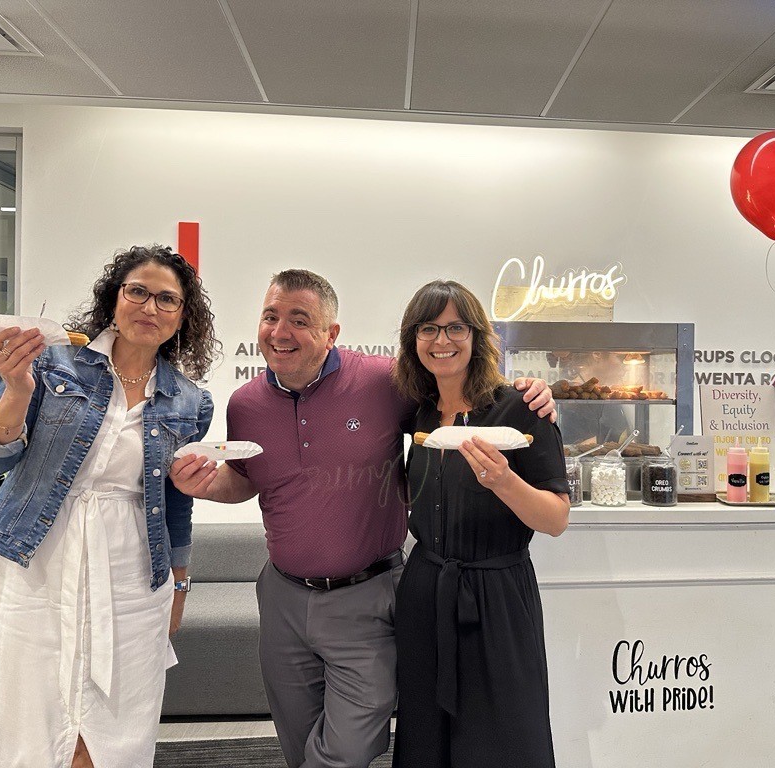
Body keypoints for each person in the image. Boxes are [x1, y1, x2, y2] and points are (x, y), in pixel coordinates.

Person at [168, 269, 554, 768]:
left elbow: (457, 397)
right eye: (270, 316)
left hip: (367, 592)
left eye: (299, 320)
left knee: (347, 749)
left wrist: (532, 392)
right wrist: (202, 486)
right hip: (282, 594)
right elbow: (247, 480)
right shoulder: (245, 404)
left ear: (331, 333)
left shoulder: (384, 382)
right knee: (298, 739)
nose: (280, 331)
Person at [0, 245, 218, 768]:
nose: (150, 307)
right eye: (138, 292)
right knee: (25, 712)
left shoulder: (190, 401)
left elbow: (176, 503)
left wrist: (181, 584)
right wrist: (15, 390)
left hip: (131, 570)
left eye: (167, 299)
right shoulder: (51, 363)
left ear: (182, 317)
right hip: (34, 560)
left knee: (112, 723)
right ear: (114, 299)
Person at [390, 280, 569, 768]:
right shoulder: (418, 410)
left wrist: (504, 482)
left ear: (477, 336)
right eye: (428, 328)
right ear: (413, 340)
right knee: (427, 735)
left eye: (455, 327)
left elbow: (555, 519)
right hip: (426, 589)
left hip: (498, 597)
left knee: (505, 737)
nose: (442, 340)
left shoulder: (521, 409)